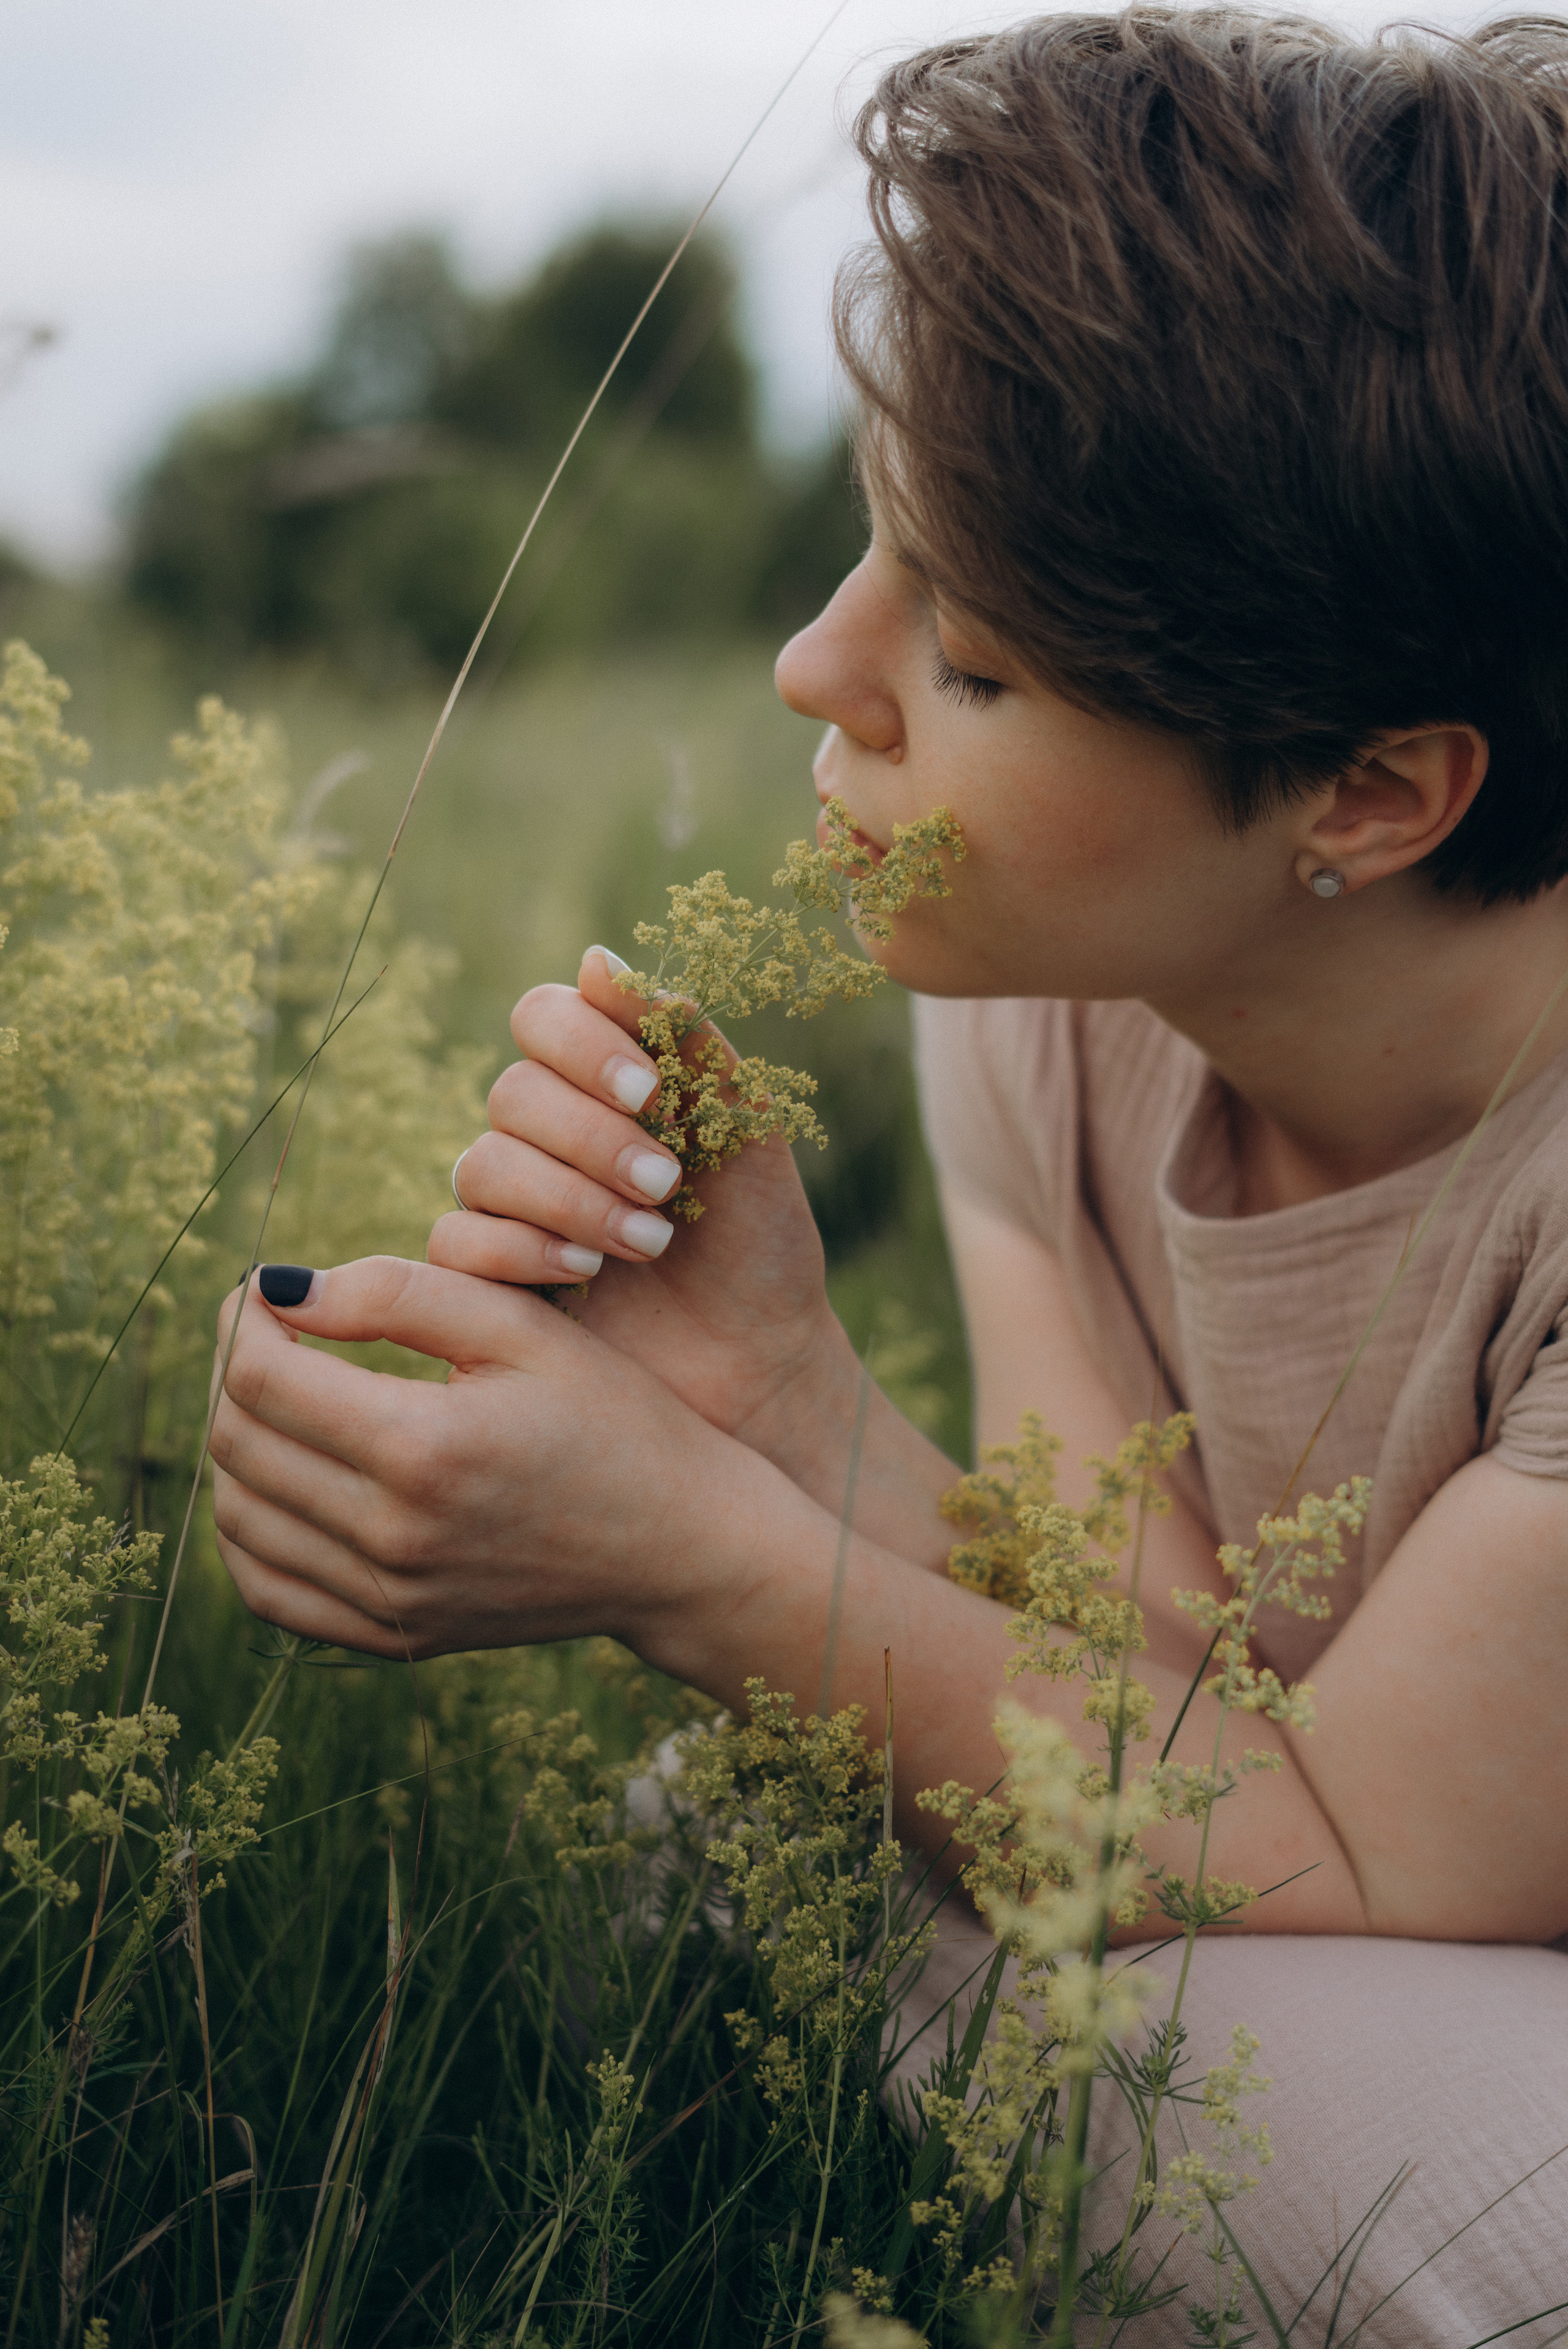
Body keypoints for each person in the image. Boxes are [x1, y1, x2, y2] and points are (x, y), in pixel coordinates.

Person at [210, 10, 1568, 2336]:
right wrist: (782, 1404)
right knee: (749, 1845)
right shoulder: (1045, 990)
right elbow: (1141, 1705)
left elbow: (1354, 1854)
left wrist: (701, 1557)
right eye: (872, 545)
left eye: (972, 646)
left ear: (1367, 794)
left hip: (1448, 1950)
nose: (811, 665)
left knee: (1395, 2184)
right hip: (1345, 1916)